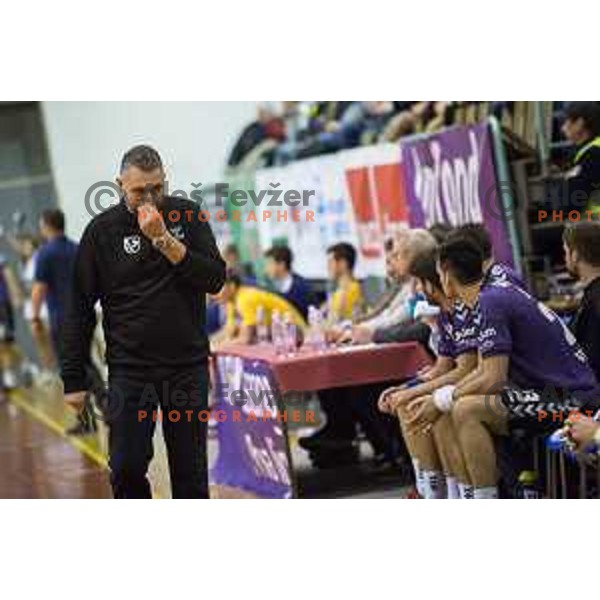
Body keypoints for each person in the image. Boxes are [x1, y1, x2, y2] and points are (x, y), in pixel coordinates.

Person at [61, 145, 226, 499]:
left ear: (165, 181)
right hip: (130, 371)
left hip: (186, 366)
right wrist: (73, 377)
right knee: (125, 467)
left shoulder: (188, 215)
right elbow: (78, 307)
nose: (150, 197)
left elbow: (215, 278)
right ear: (120, 184)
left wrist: (163, 240)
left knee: (191, 471)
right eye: (139, 191)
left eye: (157, 188)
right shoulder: (100, 232)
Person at [423, 236, 600, 499]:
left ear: (447, 276)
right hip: (550, 392)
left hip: (572, 399)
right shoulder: (487, 298)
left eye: (438, 273)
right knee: (454, 406)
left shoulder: (490, 301)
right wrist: (439, 398)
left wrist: (443, 398)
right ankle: (456, 496)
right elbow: (482, 373)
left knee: (467, 409)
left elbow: (492, 379)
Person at [378, 248, 479, 499]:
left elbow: (464, 370)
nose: (417, 290)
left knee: (437, 410)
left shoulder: (463, 310)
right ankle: (429, 491)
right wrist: (405, 389)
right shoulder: (445, 315)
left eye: (419, 283)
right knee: (408, 403)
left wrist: (415, 391)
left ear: (433, 283)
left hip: (489, 385)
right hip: (467, 381)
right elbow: (443, 367)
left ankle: (456, 495)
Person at [31, 209, 99, 435]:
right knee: (86, 363)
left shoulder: (45, 253)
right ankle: (104, 409)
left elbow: (39, 288)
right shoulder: (77, 248)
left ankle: (92, 415)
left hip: (63, 317)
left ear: (47, 225)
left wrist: (33, 316)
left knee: (73, 369)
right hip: (85, 314)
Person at [212, 270, 305, 345]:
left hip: (299, 336)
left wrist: (222, 345)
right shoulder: (231, 302)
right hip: (277, 337)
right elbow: (228, 331)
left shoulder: (245, 299)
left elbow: (247, 339)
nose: (213, 294)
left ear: (232, 286)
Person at [563, 222, 600, 380]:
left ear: (576, 255)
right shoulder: (592, 295)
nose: (565, 258)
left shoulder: (594, 302)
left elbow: (590, 364)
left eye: (565, 252)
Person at [561, 101, 600, 214]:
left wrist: (543, 214)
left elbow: (573, 204)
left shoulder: (592, 154)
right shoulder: (593, 149)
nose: (563, 128)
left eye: (566, 122)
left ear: (579, 123)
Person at [264, 245, 311, 318]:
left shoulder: (300, 287)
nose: (266, 269)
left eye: (269, 264)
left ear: (282, 265)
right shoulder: (273, 287)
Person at [325, 242, 364, 325]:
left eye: (330, 262)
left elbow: (334, 322)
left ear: (343, 263)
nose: (328, 266)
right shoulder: (340, 290)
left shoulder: (352, 289)